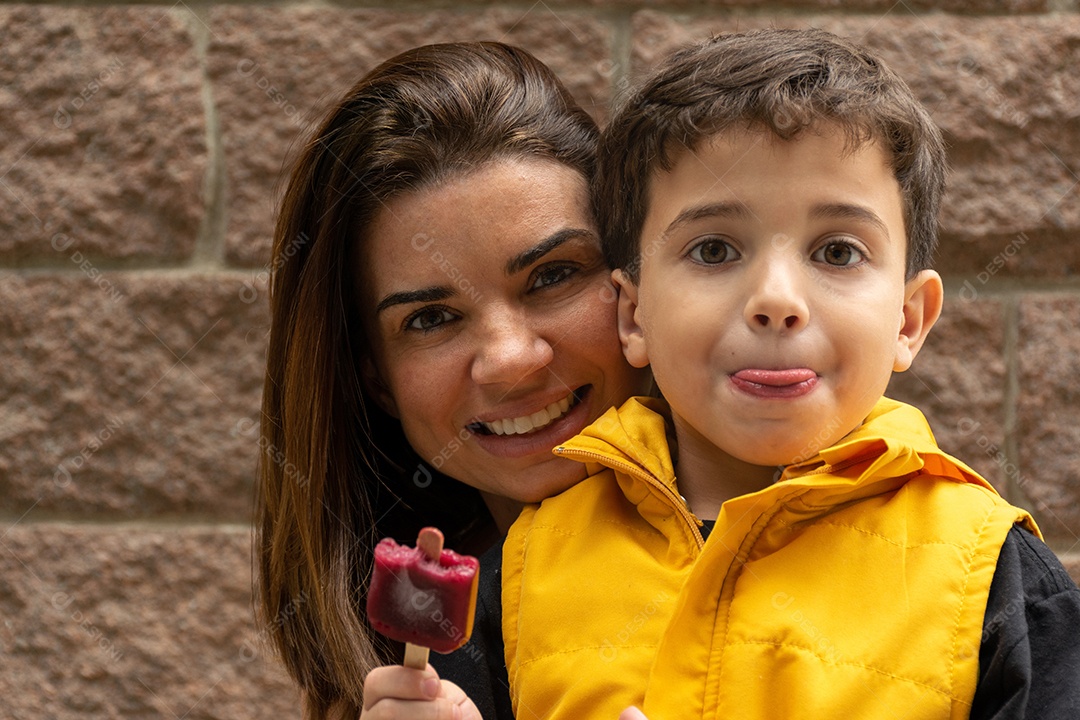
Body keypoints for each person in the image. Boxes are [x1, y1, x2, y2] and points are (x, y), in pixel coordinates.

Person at [495, 28, 1080, 719]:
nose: (776, 300)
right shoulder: (532, 562)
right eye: (714, 249)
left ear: (908, 320)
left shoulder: (995, 576)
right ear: (633, 316)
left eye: (836, 251)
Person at [254, 41, 649, 720]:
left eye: (553, 275)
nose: (509, 358)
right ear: (376, 379)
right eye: (432, 318)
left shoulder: (830, 531)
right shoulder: (403, 685)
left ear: (638, 285)